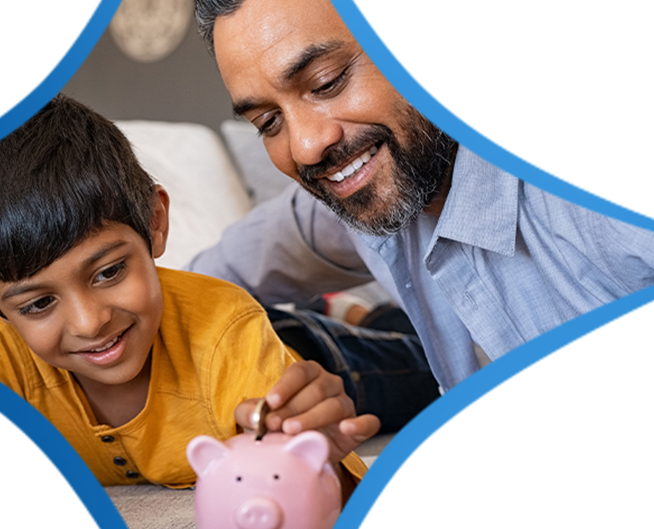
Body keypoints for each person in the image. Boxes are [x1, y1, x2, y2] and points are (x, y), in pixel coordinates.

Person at [189, 0, 654, 391]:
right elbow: (197, 287)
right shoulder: (356, 193)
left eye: (327, 82)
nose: (306, 145)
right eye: (268, 123)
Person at [0, 95, 376, 501]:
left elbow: (316, 474)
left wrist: (316, 456)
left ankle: (356, 315)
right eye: (38, 305)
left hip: (314, 356)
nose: (89, 323)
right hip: (229, 328)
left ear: (155, 220)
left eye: (108, 272)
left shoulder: (227, 330)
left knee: (399, 358)